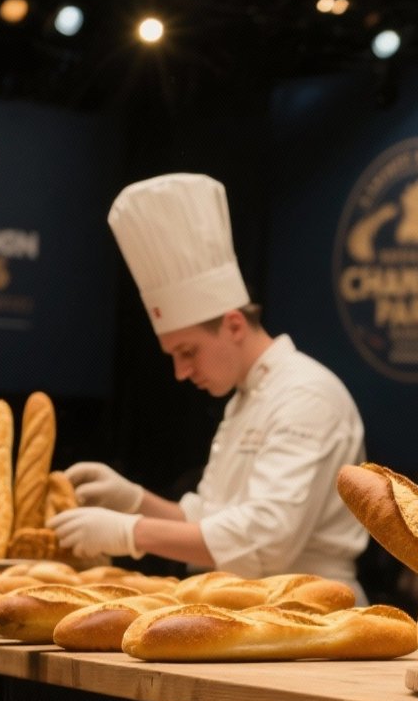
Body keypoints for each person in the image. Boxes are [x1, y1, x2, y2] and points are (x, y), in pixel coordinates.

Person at [51, 173, 371, 602]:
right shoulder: (245, 398)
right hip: (254, 606)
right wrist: (134, 500)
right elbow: (211, 520)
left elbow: (264, 540)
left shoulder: (306, 395)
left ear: (234, 325)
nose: (181, 372)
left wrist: (130, 532)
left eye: (188, 351)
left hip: (315, 607)